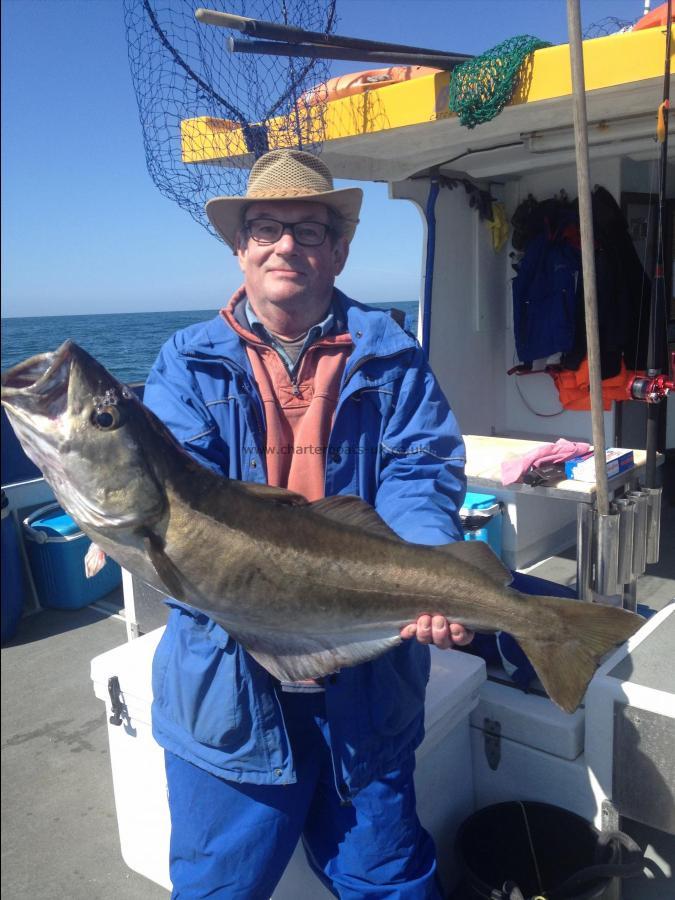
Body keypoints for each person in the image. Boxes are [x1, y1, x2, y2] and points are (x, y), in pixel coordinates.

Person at [143, 148, 473, 899]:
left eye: (307, 230)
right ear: (240, 247)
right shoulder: (184, 364)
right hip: (228, 690)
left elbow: (419, 471)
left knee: (389, 881)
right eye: (264, 228)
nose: (284, 245)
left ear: (339, 250)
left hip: (366, 686)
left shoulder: (393, 356)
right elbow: (176, 496)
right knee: (219, 889)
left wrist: (427, 572)